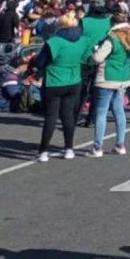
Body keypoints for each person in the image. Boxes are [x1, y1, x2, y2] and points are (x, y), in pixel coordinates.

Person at [34, 13, 91, 162]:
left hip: (54, 80)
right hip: (74, 79)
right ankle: (69, 148)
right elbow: (87, 59)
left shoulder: (54, 41)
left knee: (51, 116)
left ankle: (43, 151)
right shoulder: (84, 40)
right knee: (68, 116)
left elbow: (40, 62)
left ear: (60, 25)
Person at [88, 14, 130, 157]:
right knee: (119, 111)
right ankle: (120, 144)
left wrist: (93, 54)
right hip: (123, 78)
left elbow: (98, 58)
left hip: (107, 78)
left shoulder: (112, 38)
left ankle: (97, 147)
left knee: (101, 112)